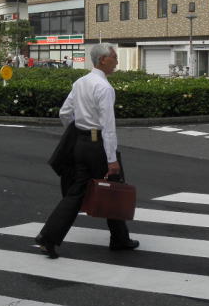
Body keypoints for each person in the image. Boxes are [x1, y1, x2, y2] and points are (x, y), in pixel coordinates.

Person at [35, 43, 138, 259]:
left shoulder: (80, 82)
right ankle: (119, 239)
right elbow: (108, 127)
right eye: (114, 58)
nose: (117, 61)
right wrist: (112, 160)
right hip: (98, 145)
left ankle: (49, 236)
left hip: (80, 143)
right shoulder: (104, 88)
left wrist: (78, 131)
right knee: (115, 185)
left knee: (77, 192)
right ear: (103, 60)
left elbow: (65, 113)